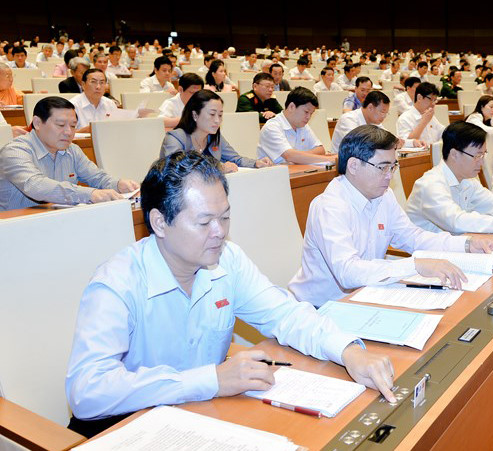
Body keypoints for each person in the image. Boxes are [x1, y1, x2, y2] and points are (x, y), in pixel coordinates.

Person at [65, 150, 396, 437]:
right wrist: (211, 380)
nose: (219, 232)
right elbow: (87, 393)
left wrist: (347, 351)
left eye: (224, 217)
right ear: (160, 223)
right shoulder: (117, 283)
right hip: (127, 427)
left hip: (200, 415)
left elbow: (286, 314)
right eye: (204, 222)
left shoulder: (227, 259)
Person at [288, 125, 493, 307]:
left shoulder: (383, 195)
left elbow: (413, 238)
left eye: (393, 166)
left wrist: (466, 244)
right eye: (382, 167)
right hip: (321, 307)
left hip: (365, 296)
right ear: (353, 165)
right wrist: (416, 265)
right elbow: (347, 272)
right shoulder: (330, 206)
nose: (389, 176)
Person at [0, 96, 138, 211]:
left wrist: (118, 184)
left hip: (60, 220)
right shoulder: (15, 151)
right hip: (15, 226)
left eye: (73, 126)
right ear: (37, 123)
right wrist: (90, 194)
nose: (68, 132)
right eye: (61, 125)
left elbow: (97, 177)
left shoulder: (72, 150)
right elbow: (36, 185)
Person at [160, 90, 272, 172]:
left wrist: (256, 163)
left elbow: (235, 159)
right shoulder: (175, 138)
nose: (217, 120)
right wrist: (219, 167)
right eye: (212, 114)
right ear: (195, 115)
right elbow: (178, 168)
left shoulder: (214, 137)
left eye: (220, 115)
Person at [256, 87, 334, 165]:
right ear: (292, 107)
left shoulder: (302, 125)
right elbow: (290, 156)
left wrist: (299, 157)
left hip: (297, 170)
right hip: (274, 172)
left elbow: (320, 150)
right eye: (306, 112)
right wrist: (330, 159)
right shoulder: (272, 127)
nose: (308, 117)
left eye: (311, 113)